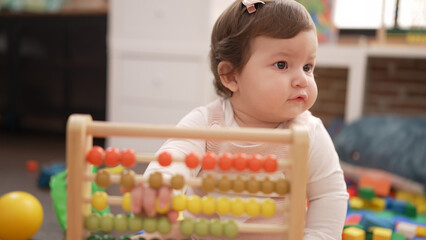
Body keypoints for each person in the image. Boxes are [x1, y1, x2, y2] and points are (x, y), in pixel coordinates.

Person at [130, 0, 348, 239]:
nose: (302, 80)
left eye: (308, 67)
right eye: (282, 65)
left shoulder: (308, 134)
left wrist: (318, 235)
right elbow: (175, 155)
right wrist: (162, 184)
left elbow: (329, 195)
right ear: (231, 76)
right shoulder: (207, 123)